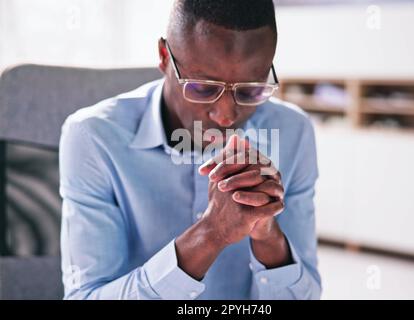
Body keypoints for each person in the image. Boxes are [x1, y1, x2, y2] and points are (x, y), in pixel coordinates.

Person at [59, 0, 321, 300]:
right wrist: (210, 235)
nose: (226, 115)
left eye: (250, 90)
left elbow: (307, 295)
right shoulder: (94, 137)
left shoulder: (292, 132)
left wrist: (268, 237)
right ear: (163, 57)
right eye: (203, 88)